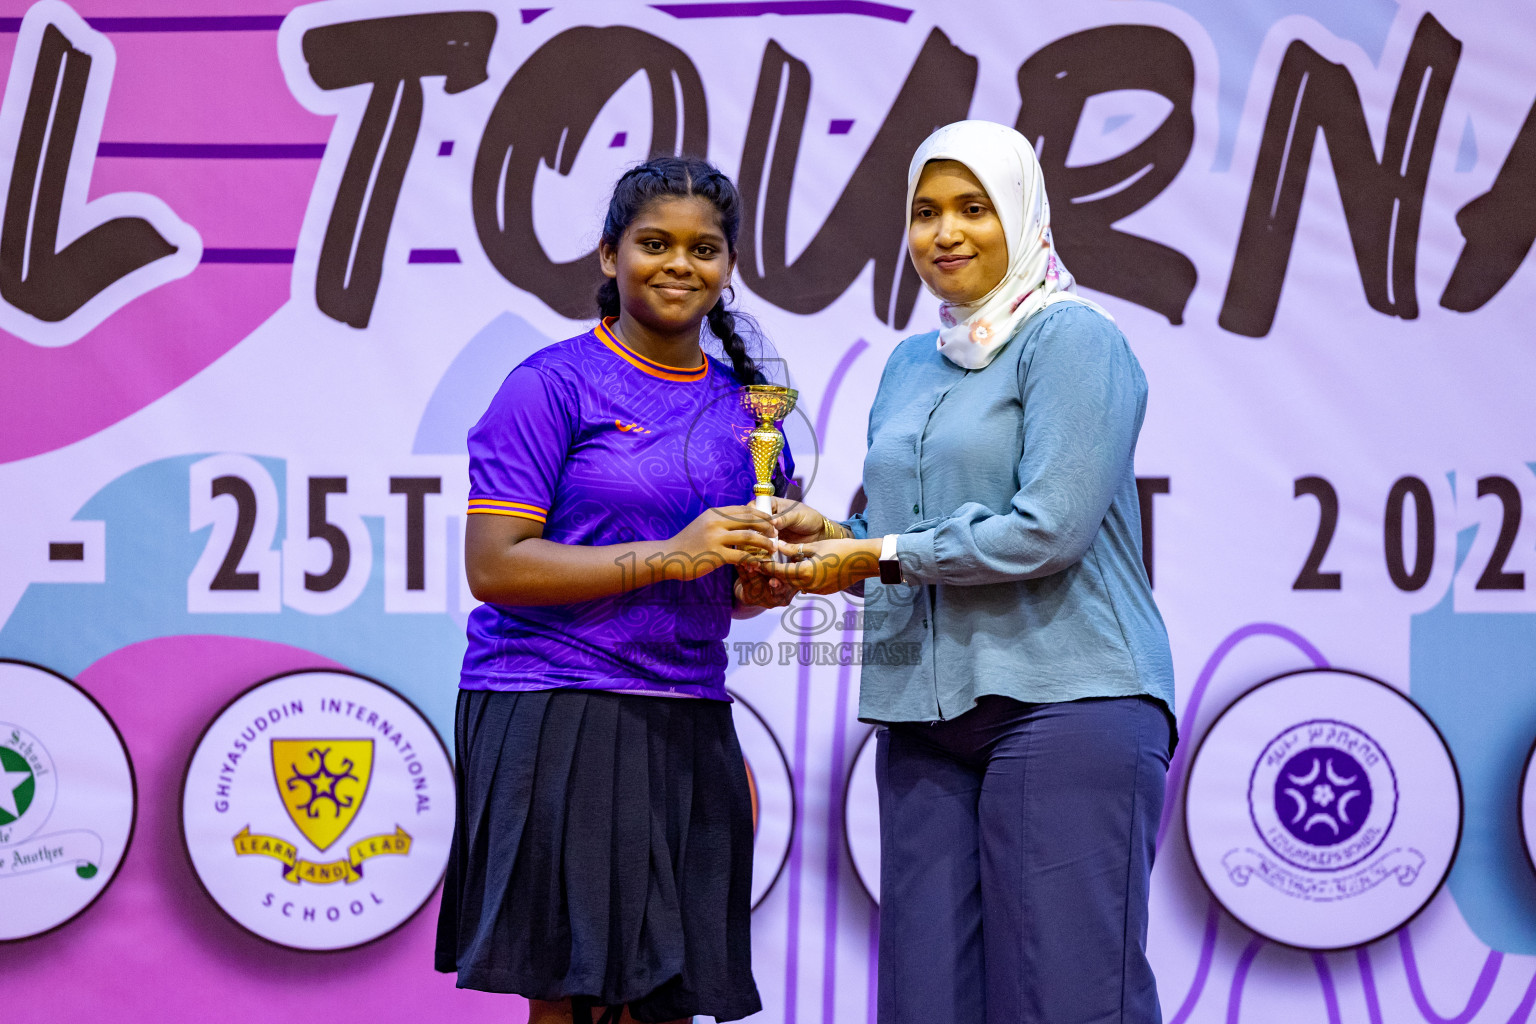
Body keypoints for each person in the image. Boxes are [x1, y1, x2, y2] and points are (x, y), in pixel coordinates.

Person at [758, 120, 1177, 1023]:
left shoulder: (1074, 338)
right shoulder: (912, 361)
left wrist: (871, 552)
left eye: (973, 208)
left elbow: (1048, 529)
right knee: (923, 1005)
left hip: (1067, 703)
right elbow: (891, 534)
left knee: (1066, 1003)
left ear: (1022, 216)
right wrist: (821, 537)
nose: (945, 233)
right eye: (924, 212)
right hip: (921, 721)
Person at [434, 156, 793, 1024]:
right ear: (609, 257)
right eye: (654, 243)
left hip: (688, 710)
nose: (679, 264)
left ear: (729, 268)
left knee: (666, 1000)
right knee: (574, 1003)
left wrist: (766, 577)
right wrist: (671, 555)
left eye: (704, 248)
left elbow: (730, 588)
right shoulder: (549, 386)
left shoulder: (753, 414)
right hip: (558, 707)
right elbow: (497, 566)